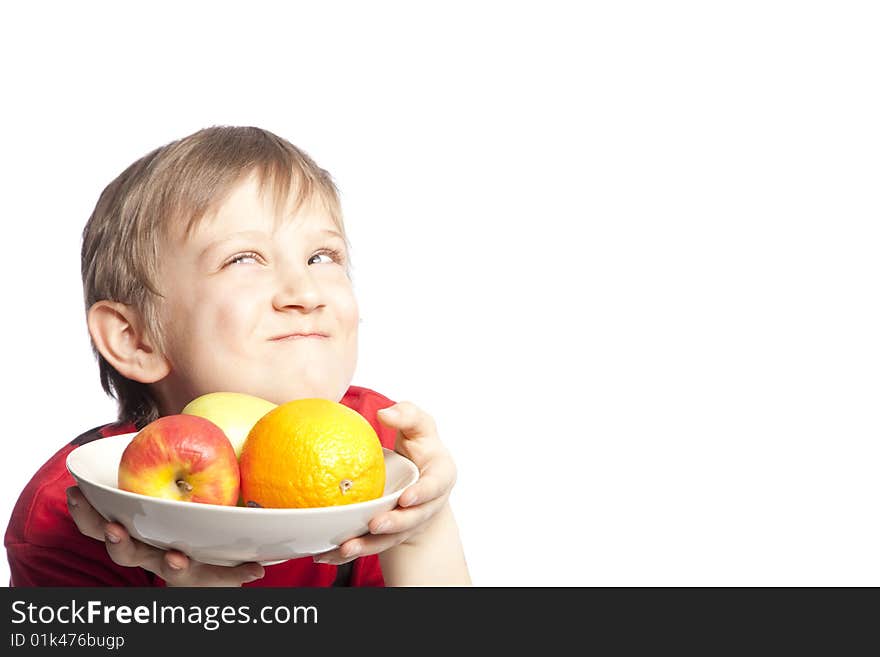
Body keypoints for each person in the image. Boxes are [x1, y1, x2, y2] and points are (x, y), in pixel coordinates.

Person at [4, 126, 470, 587]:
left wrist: (419, 532)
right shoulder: (65, 516)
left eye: (322, 257)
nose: (305, 293)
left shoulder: (376, 450)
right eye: (244, 258)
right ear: (135, 339)